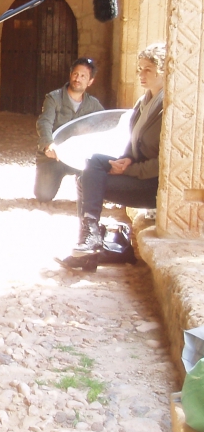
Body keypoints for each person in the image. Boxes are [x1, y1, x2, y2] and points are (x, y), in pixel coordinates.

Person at [59, 42, 165, 270]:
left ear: (163, 71)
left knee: (85, 180)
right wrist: (126, 159)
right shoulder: (145, 101)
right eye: (140, 69)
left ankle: (88, 245)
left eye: (147, 69)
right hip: (137, 171)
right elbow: (135, 141)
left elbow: (168, 163)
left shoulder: (169, 108)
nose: (141, 74)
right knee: (93, 163)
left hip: (152, 185)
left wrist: (131, 169)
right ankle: (89, 242)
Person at [34, 58, 104, 202]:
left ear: (90, 81)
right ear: (70, 74)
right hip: (55, 157)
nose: (78, 78)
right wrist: (49, 144)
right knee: (43, 195)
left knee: (92, 195)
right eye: (75, 74)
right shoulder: (53, 98)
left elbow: (105, 125)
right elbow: (45, 121)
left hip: (80, 158)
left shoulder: (93, 105)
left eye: (83, 76)